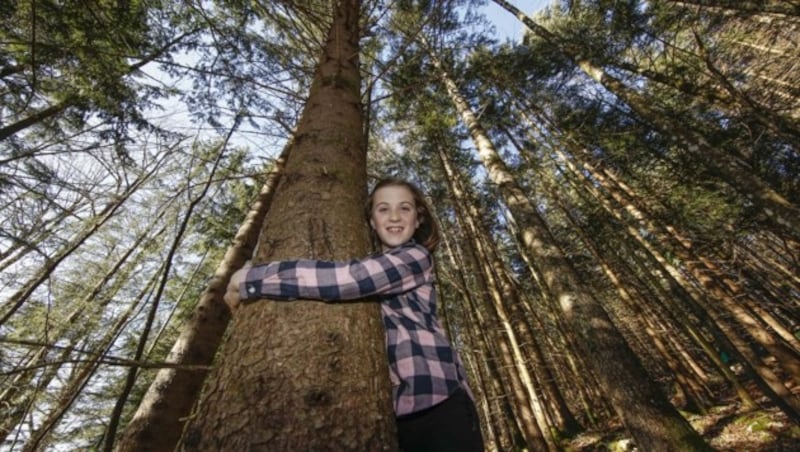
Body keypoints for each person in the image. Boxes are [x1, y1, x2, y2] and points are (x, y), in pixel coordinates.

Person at [224, 177, 484, 452]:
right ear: (372, 221)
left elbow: (348, 279)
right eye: (383, 209)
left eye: (404, 208)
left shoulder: (415, 257)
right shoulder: (373, 261)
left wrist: (253, 279)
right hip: (396, 416)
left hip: (440, 405)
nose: (394, 216)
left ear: (418, 219)